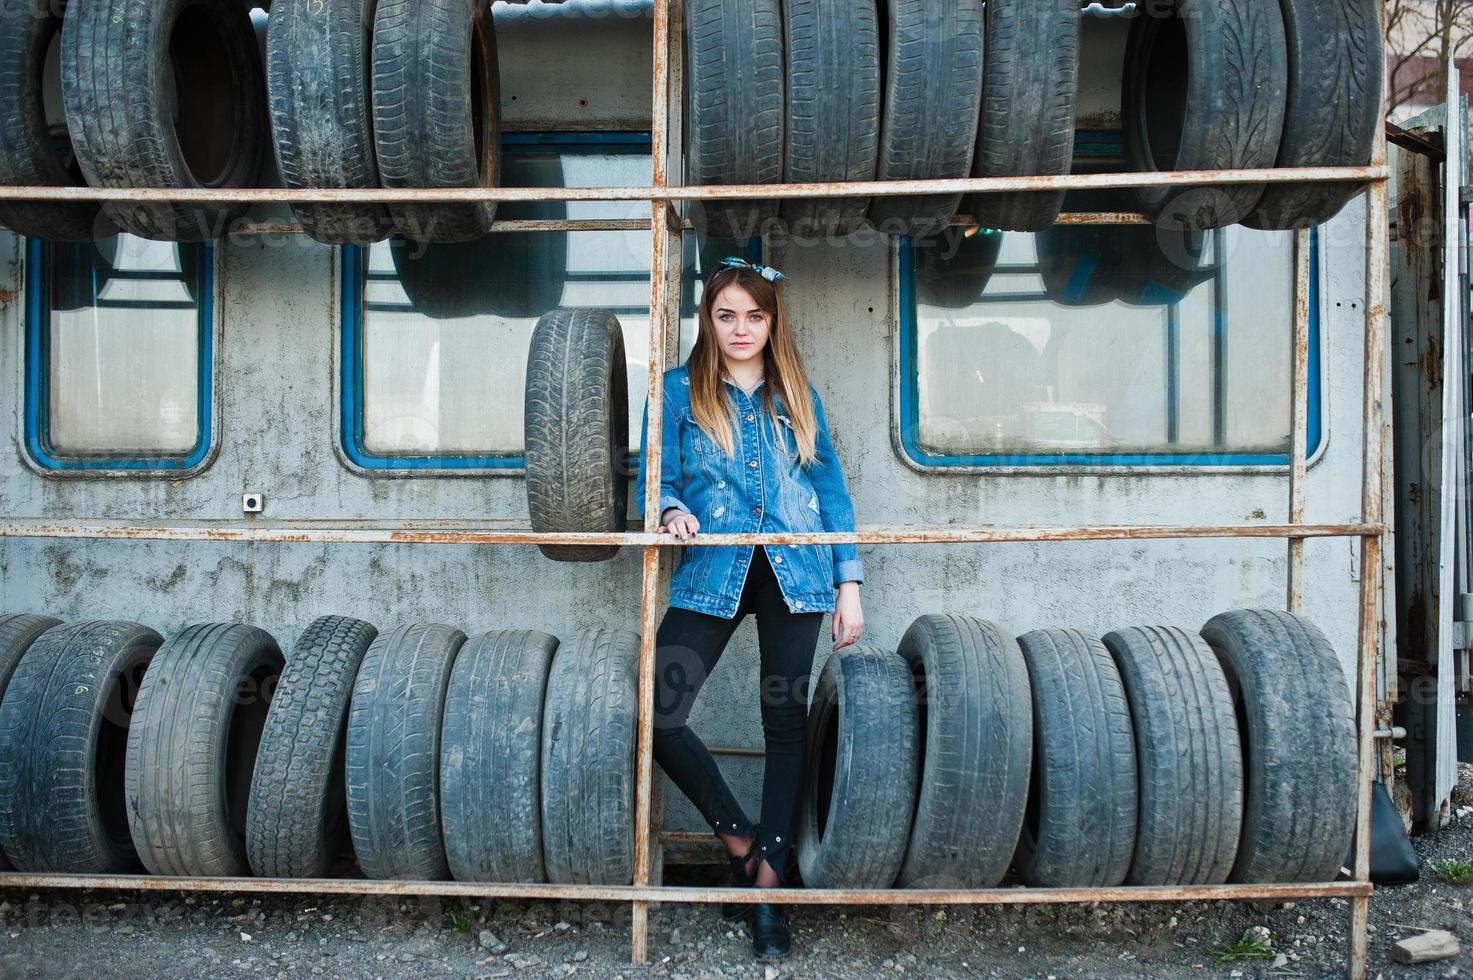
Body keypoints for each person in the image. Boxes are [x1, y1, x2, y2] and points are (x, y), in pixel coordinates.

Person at [635, 257, 865, 960]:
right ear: (708, 320)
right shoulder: (675, 392)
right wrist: (670, 510)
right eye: (726, 314)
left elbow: (831, 493)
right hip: (713, 569)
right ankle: (741, 843)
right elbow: (658, 474)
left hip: (797, 575)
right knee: (657, 710)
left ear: (772, 322)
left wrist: (849, 581)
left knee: (783, 723)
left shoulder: (797, 394)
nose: (740, 329)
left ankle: (766, 886)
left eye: (754, 316)